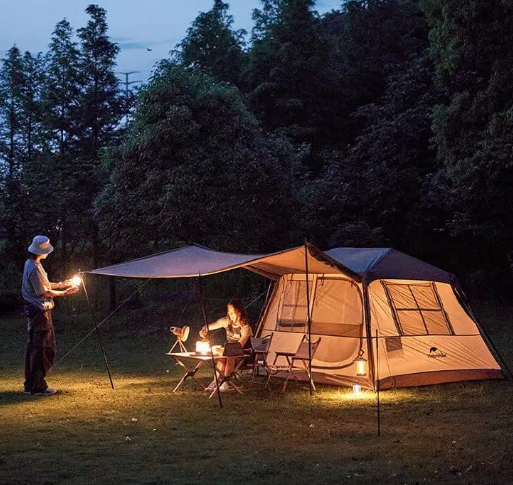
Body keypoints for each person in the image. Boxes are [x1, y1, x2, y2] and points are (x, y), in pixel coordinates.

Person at [21, 235, 79, 396]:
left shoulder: (33, 264)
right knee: (42, 348)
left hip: (39, 312)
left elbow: (44, 285)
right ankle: (37, 385)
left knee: (36, 348)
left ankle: (31, 384)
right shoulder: (33, 268)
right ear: (40, 251)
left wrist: (61, 284)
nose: (48, 252)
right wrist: (65, 293)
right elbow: (44, 292)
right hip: (40, 313)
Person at [199, 299, 252, 392]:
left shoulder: (245, 327)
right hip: (229, 353)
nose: (230, 314)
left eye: (232, 312)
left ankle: (225, 383)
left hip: (243, 354)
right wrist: (205, 328)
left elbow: (238, 346)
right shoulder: (227, 321)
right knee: (222, 358)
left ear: (239, 312)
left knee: (229, 356)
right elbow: (214, 324)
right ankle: (215, 382)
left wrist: (222, 350)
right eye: (229, 312)